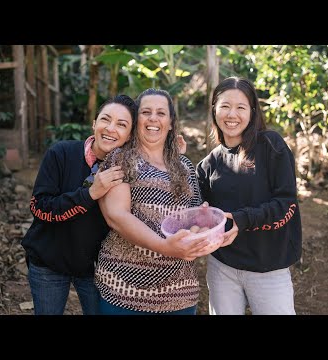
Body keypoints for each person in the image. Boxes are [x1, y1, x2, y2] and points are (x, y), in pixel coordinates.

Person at [95, 88, 214, 315]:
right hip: (124, 289)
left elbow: (196, 217)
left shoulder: (185, 166)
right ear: (136, 119)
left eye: (161, 113)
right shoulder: (120, 158)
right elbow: (117, 216)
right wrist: (165, 247)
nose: (153, 118)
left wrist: (206, 228)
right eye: (145, 112)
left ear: (170, 123)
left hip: (179, 292)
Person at [21, 95, 137, 315]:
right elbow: (39, 208)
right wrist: (90, 193)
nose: (111, 128)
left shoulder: (129, 170)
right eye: (105, 119)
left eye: (122, 124)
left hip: (97, 269)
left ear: (130, 135)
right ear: (94, 123)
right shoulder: (61, 153)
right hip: (48, 263)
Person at [196, 76, 302, 315]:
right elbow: (202, 212)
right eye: (225, 106)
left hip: (268, 267)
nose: (232, 114)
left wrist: (241, 220)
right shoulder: (207, 165)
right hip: (222, 266)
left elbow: (286, 203)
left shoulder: (271, 146)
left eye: (241, 107)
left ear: (252, 112)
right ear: (214, 110)